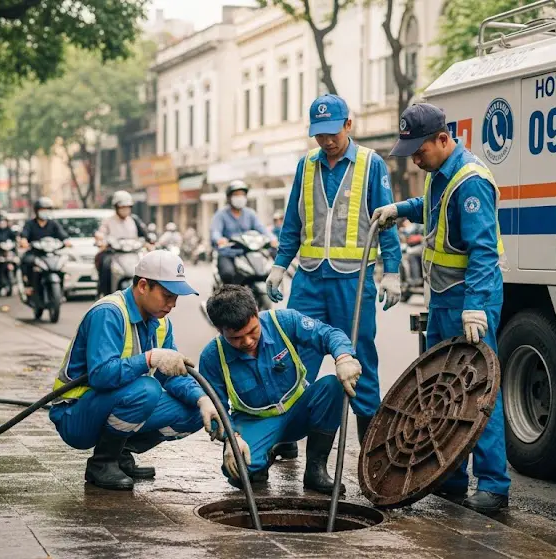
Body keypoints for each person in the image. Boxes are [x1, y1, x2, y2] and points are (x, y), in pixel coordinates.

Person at [371, 102, 509, 513]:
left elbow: (483, 250)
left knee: (479, 391)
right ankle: (450, 476)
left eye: (419, 150)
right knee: (442, 391)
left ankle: (494, 485)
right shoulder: (440, 174)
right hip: (445, 298)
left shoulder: (471, 182)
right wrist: (400, 209)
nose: (415, 158)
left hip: (471, 301)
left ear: (443, 139)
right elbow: (430, 204)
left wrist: (475, 307)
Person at [265, 93, 403, 448]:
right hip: (309, 280)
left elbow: (385, 223)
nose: (326, 141)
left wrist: (392, 271)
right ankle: (284, 437)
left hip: (352, 281)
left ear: (348, 125)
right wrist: (280, 265)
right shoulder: (306, 165)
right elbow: (293, 221)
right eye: (319, 134)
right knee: (295, 359)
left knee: (358, 360)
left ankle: (370, 447)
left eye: (332, 133)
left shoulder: (371, 164)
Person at [49, 250, 216, 491]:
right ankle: (102, 462)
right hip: (75, 414)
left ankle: (120, 454)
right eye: (167, 296)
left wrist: (202, 399)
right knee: (146, 389)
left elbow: (171, 375)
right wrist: (149, 359)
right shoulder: (109, 313)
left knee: (193, 412)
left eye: (176, 298)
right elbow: (100, 376)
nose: (172, 304)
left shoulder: (161, 323)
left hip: (113, 403)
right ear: (143, 286)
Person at [197, 284, 362, 494]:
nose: (247, 341)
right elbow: (215, 409)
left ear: (256, 312)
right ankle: (267, 453)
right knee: (238, 472)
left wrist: (344, 357)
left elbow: (328, 334)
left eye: (252, 331)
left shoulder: (283, 321)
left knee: (332, 386)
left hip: (299, 412)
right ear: (219, 330)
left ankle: (315, 470)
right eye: (236, 338)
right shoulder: (212, 356)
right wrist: (231, 438)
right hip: (256, 422)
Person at [209, 180, 276, 285]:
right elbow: (215, 231)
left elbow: (261, 228)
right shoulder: (221, 215)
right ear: (229, 197)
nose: (240, 197)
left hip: (248, 252)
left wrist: (272, 238)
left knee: (264, 272)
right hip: (228, 253)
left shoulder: (250, 214)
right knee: (227, 274)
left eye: (242, 195)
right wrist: (219, 239)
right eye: (236, 195)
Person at [95, 191, 147, 296]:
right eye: (122, 207)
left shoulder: (134, 220)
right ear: (116, 207)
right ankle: (104, 292)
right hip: (114, 253)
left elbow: (144, 234)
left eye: (127, 207)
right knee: (104, 263)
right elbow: (101, 233)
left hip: (133, 252)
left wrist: (149, 242)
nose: (125, 210)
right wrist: (100, 240)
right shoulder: (108, 221)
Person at [19, 197, 70, 296]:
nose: (45, 212)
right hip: (35, 253)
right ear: (36, 211)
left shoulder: (53, 224)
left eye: (47, 210)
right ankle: (28, 286)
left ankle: (61, 288)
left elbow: (62, 235)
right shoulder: (30, 224)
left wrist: (66, 241)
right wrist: (23, 241)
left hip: (51, 252)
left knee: (61, 263)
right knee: (26, 261)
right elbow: (24, 235)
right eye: (42, 210)